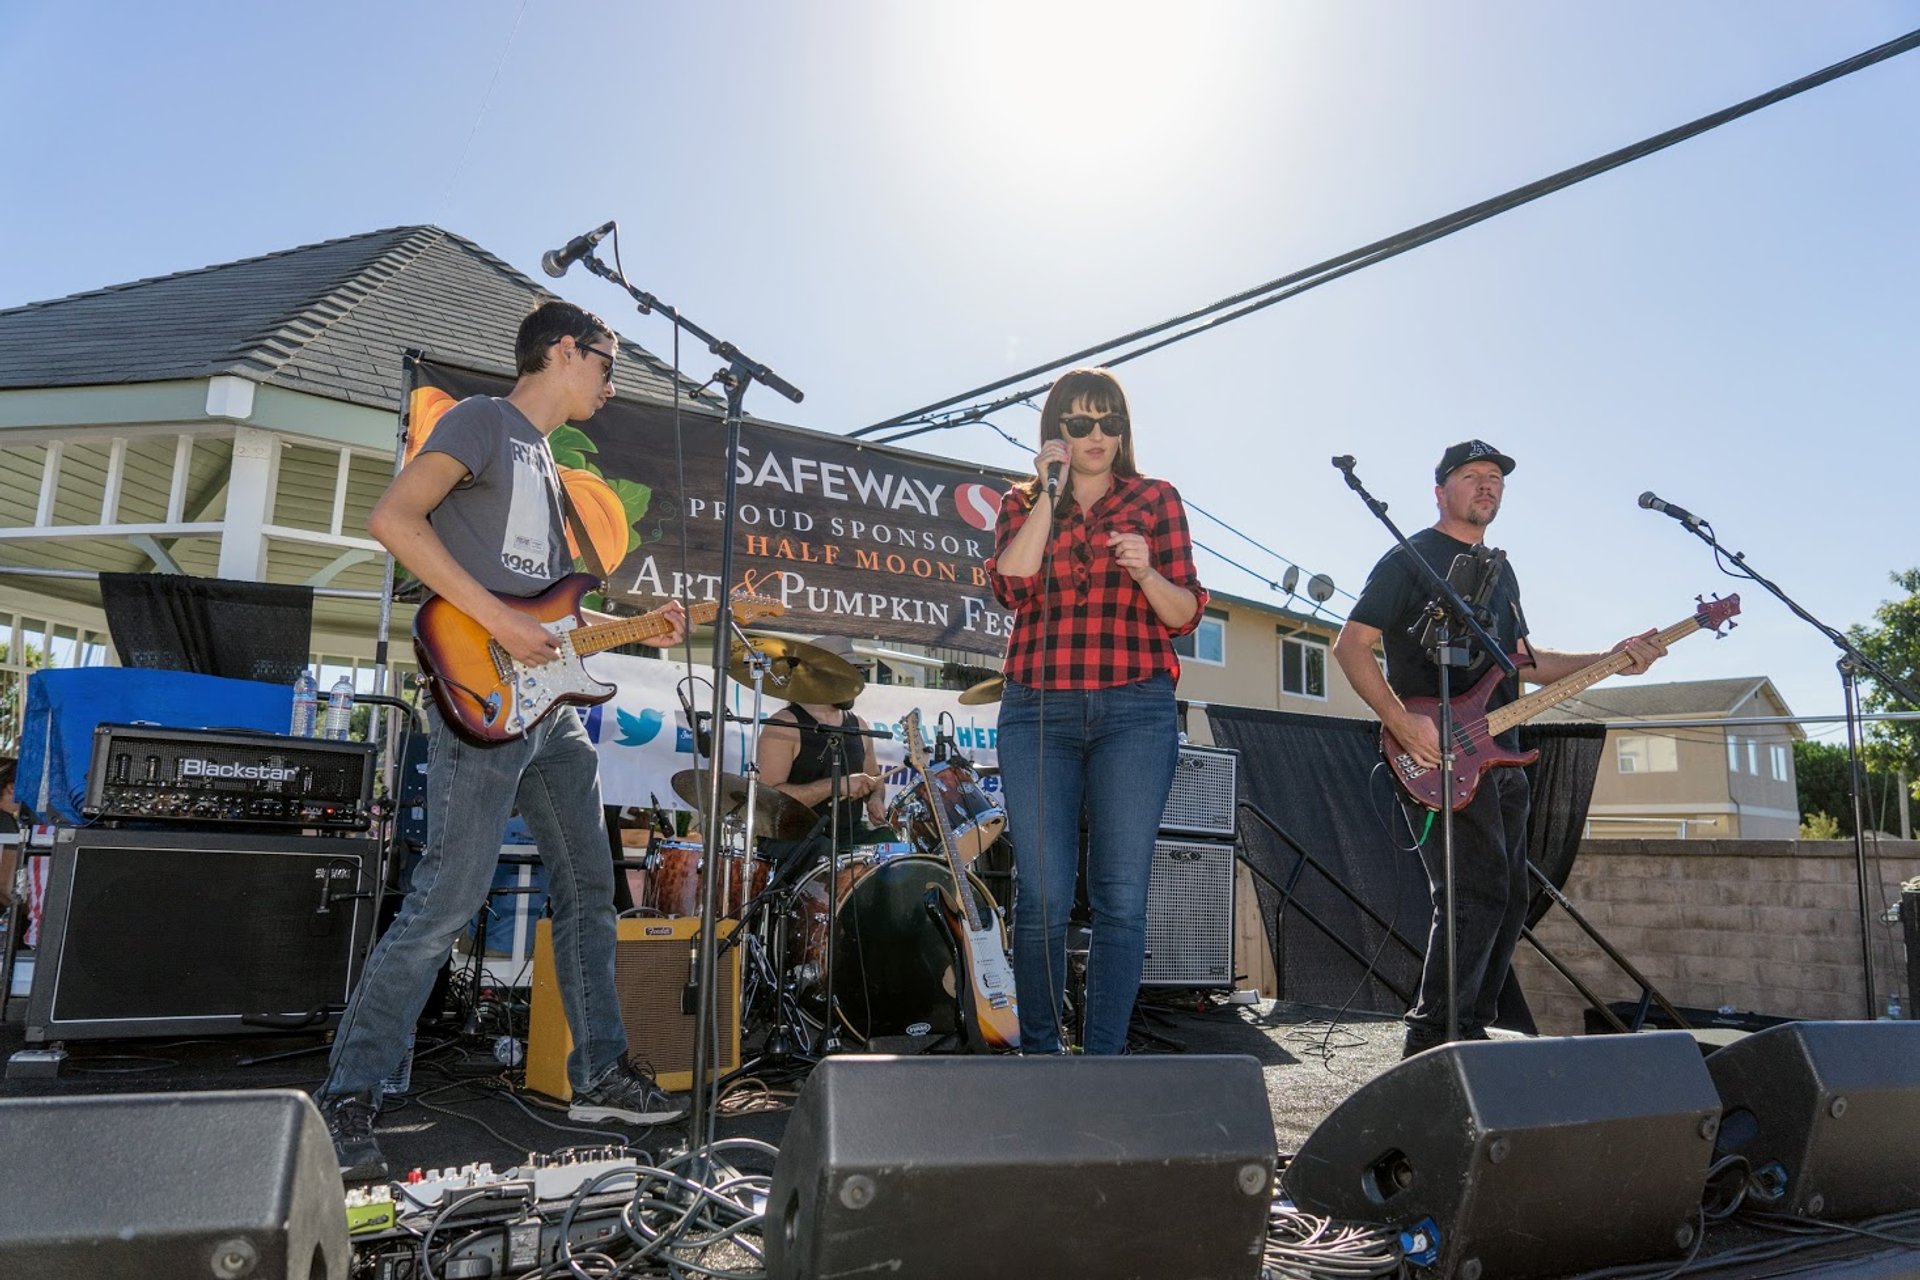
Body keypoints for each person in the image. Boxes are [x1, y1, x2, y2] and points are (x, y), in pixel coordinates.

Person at [317, 301, 689, 1179]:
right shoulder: (481, 420)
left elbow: (546, 614)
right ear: (566, 350)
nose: (611, 379)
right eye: (607, 361)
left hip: (548, 712)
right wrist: (497, 625)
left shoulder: (552, 471)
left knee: (592, 890)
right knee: (446, 898)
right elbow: (394, 521)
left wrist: (634, 628)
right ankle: (351, 1090)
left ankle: (599, 1070)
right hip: (478, 698)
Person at [1332, 439, 1667, 1058]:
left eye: (1495, 478)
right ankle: (1433, 1037)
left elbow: (1527, 663)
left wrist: (1613, 661)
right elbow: (1351, 645)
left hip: (1504, 757)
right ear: (1440, 491)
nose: (1487, 486)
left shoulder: (1501, 570)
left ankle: (1469, 1027)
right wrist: (1402, 721)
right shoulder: (1411, 559)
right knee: (1469, 893)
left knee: (1510, 896)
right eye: (1471, 476)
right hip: (1440, 757)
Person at [986, 367, 1206, 1054]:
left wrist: (1145, 570)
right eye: (1080, 423)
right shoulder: (1022, 503)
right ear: (1058, 432)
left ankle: (1105, 1060)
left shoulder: (1156, 498)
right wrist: (1048, 494)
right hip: (1039, 710)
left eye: (1109, 421)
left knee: (1120, 897)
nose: (1097, 435)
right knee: (1043, 895)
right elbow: (1012, 584)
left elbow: (1185, 615)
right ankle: (1044, 1057)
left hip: (1135, 711)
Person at [754, 639, 889, 856]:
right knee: (822, 852)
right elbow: (769, 798)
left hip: (849, 837)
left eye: (858, 672)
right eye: (850, 674)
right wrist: (835, 786)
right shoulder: (784, 726)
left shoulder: (860, 726)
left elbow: (875, 779)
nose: (857, 683)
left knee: (894, 849)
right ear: (820, 676)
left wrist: (875, 798)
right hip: (795, 838)